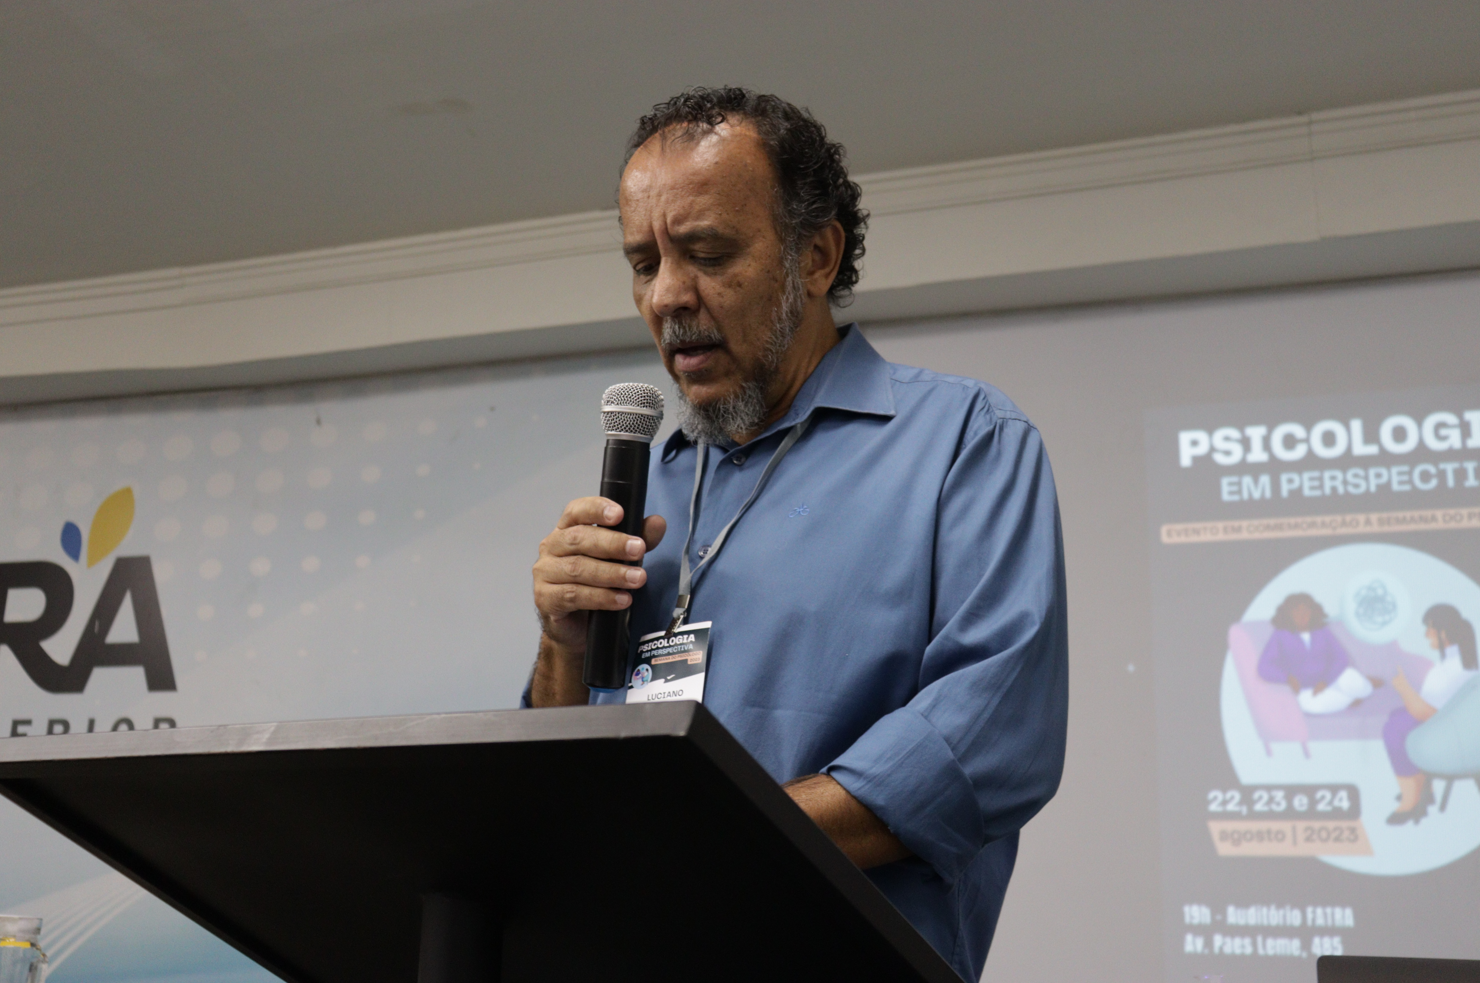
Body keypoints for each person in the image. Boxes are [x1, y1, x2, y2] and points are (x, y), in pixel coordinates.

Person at [524, 87, 1067, 981]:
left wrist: (713, 848)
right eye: (643, 262)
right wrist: (562, 644)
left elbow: (988, 736)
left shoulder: (963, 441)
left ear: (816, 256)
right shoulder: (652, 482)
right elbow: (555, 791)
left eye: (707, 253)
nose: (667, 295)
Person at [1383, 604, 1479, 825]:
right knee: (1397, 716)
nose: (1426, 635)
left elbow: (1427, 713)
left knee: (1394, 728)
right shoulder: (1462, 662)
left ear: (1443, 632)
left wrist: (1403, 688)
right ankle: (1421, 786)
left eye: (1429, 628)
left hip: (1450, 740)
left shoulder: (1451, 669)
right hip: (1459, 732)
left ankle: (1411, 799)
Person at [1256, 593, 1375, 714]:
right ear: (1288, 613)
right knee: (1311, 706)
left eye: (1306, 611)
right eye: (1296, 611)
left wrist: (1326, 681)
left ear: (1313, 612)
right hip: (1307, 688)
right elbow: (1264, 667)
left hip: (1331, 679)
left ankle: (1362, 689)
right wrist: (1287, 678)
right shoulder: (1280, 635)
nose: (1302, 615)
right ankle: (1351, 698)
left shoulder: (1321, 631)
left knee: (1352, 678)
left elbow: (1341, 657)